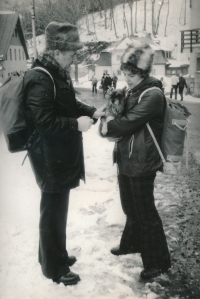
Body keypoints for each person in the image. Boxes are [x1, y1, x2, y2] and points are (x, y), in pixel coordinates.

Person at [23, 22, 105, 286]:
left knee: (56, 209)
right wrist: (75, 124)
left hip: (59, 154)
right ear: (58, 51)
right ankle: (54, 269)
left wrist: (90, 111)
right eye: (71, 53)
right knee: (52, 210)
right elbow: (44, 122)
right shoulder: (40, 76)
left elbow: (67, 103)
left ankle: (52, 255)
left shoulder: (55, 72)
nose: (74, 58)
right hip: (49, 156)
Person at [103, 42, 171, 279]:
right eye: (125, 73)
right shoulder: (132, 91)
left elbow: (125, 123)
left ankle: (158, 261)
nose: (127, 78)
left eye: (131, 74)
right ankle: (132, 243)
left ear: (143, 73)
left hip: (142, 162)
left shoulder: (152, 95)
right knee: (129, 206)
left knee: (145, 211)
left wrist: (108, 122)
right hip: (126, 158)